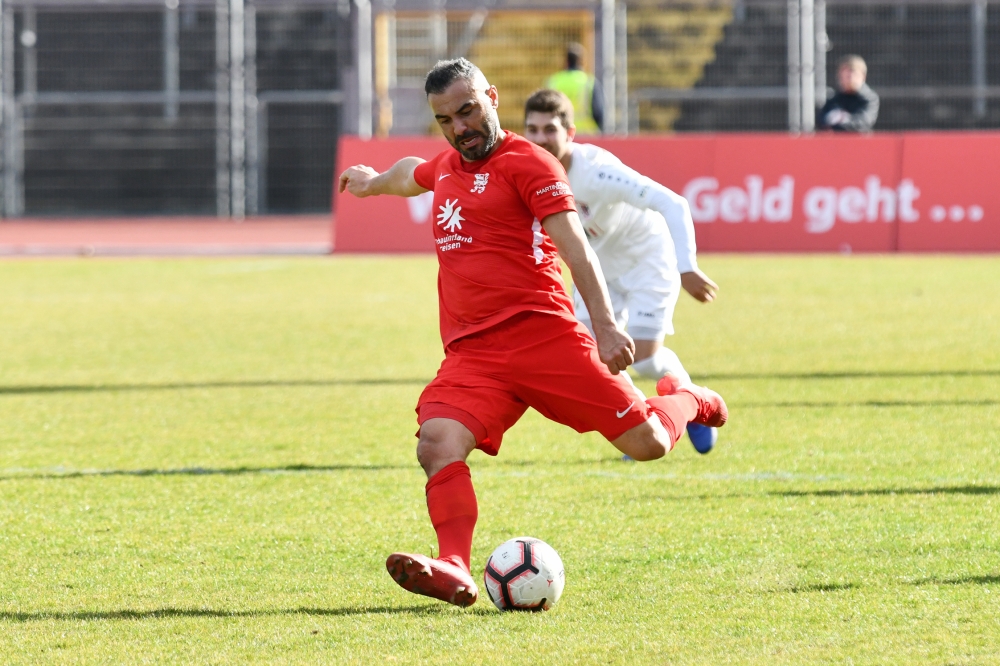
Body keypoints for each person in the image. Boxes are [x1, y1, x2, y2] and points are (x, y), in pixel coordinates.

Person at [338, 58, 727, 608]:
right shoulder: (448, 164)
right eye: (446, 119)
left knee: (649, 444)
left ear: (492, 97)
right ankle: (452, 564)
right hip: (474, 353)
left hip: (545, 339)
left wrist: (610, 327)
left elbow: (576, 247)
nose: (460, 127)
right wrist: (374, 183)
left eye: (468, 110)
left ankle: (690, 397)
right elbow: (411, 171)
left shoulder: (531, 164)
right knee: (437, 443)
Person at [523, 89, 721, 454]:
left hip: (647, 259)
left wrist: (686, 267)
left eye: (549, 129)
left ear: (570, 132)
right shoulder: (529, 174)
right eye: (532, 130)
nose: (540, 139)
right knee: (596, 358)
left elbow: (672, 202)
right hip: (595, 270)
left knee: (645, 359)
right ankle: (643, 426)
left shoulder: (596, 171)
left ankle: (691, 400)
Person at [546, 42, 604, 135]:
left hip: (559, 134)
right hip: (587, 134)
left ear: (566, 61)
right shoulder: (589, 82)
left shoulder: (553, 81)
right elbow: (599, 113)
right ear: (582, 61)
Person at [817, 54, 879, 132]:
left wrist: (841, 122)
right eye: (846, 76)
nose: (849, 80)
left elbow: (864, 121)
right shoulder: (833, 99)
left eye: (853, 75)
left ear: (863, 76)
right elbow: (821, 120)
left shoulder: (869, 98)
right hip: (834, 142)